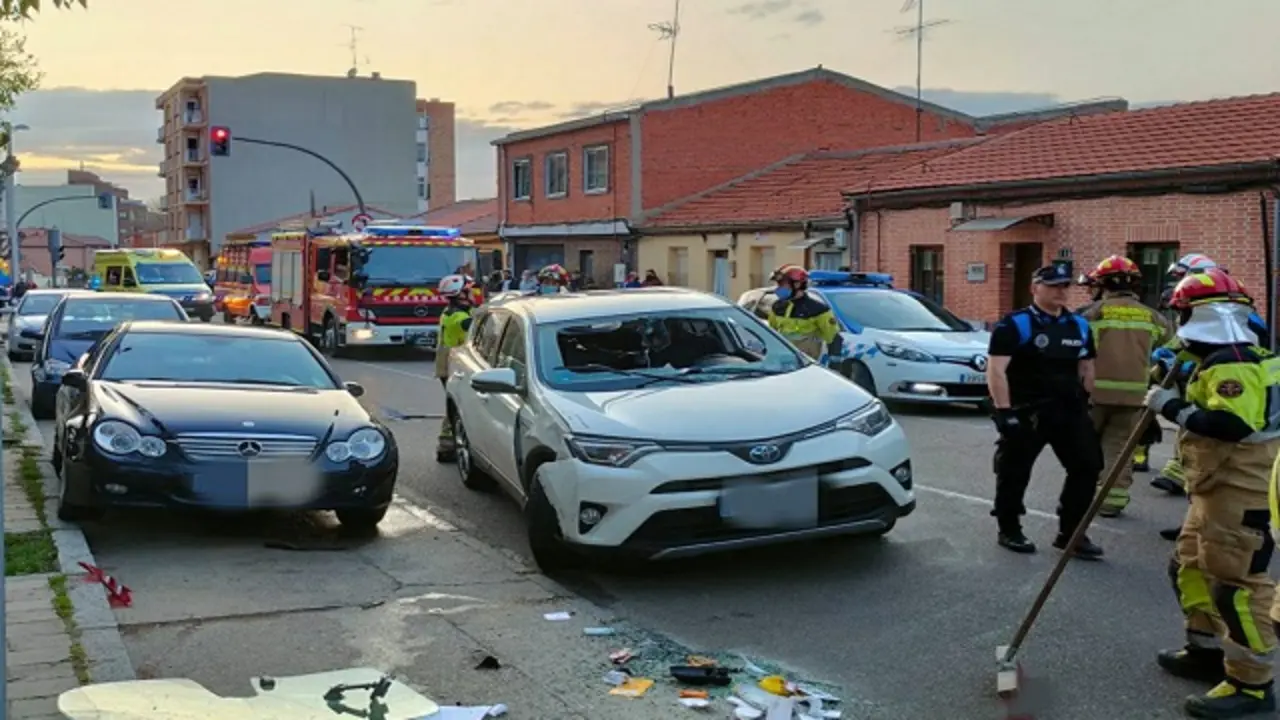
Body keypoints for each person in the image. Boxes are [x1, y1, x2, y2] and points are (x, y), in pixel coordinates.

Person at [1147, 267, 1280, 718]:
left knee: (1237, 589)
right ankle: (1206, 651)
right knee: (1189, 567)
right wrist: (1177, 371)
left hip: (1240, 493)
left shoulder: (1234, 362)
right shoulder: (1220, 355)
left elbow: (1232, 425)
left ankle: (1252, 686)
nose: (1178, 324)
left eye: (1181, 315)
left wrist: (1171, 406)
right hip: (1212, 489)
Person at [986, 263, 1104, 558]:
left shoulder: (1078, 325)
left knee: (1088, 466)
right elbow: (997, 370)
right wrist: (1004, 412)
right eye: (1053, 286)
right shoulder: (1014, 324)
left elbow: (1086, 367)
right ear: (1034, 288)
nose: (1060, 291)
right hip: (1028, 412)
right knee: (1014, 472)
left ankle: (1071, 533)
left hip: (1068, 410)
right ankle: (1009, 528)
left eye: (1064, 286)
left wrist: (1088, 403)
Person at [1075, 256, 1172, 517]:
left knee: (1084, 449)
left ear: (1104, 285)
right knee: (1118, 450)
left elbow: (1076, 353)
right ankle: (1111, 502)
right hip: (1134, 398)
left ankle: (1080, 500)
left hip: (1092, 396)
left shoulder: (1091, 314)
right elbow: (1170, 355)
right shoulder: (1155, 318)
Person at [435, 274, 476, 463]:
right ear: (460, 295)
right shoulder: (461, 319)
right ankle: (448, 444)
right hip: (454, 365)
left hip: (447, 363)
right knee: (458, 405)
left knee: (453, 404)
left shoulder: (449, 312)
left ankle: (446, 444)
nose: (473, 293)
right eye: (469, 291)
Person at [765, 265, 843, 361]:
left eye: (782, 284)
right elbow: (771, 333)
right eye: (778, 284)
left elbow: (834, 338)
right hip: (781, 363)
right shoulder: (777, 307)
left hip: (806, 365)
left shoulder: (818, 309)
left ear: (797, 284)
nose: (778, 288)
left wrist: (835, 362)